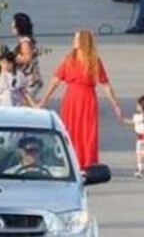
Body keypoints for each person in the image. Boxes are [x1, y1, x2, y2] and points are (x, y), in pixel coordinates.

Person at [37, 29, 123, 171]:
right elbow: (56, 80)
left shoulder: (94, 61)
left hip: (87, 98)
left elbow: (105, 84)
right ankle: (70, 160)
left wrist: (115, 105)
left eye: (77, 39)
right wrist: (44, 100)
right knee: (69, 129)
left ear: (83, 42)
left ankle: (87, 163)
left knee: (87, 132)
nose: (74, 41)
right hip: (72, 98)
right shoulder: (69, 59)